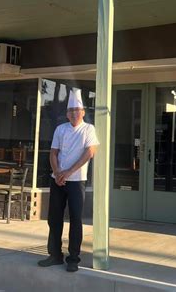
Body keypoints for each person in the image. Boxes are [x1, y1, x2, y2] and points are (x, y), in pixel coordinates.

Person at [38, 88, 99, 272]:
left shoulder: (88, 129)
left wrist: (68, 172)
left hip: (77, 181)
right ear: (67, 113)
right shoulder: (60, 129)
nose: (74, 113)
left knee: (75, 219)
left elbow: (90, 152)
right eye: (71, 110)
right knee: (54, 218)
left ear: (83, 112)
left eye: (77, 110)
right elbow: (53, 153)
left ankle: (73, 258)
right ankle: (55, 255)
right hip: (57, 180)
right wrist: (57, 172)